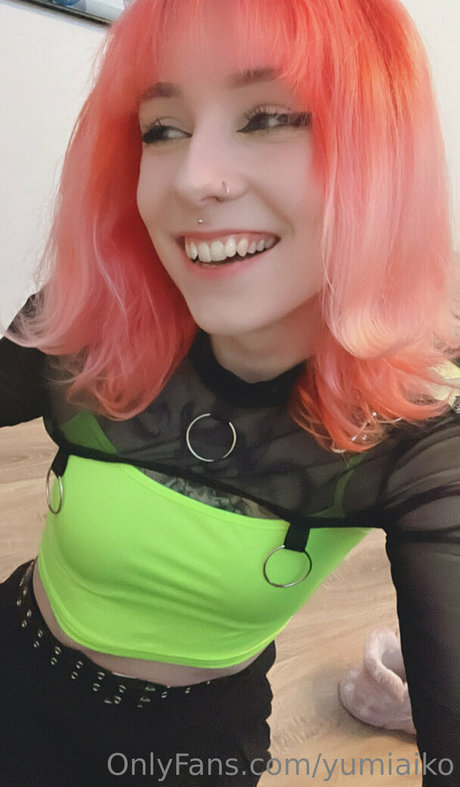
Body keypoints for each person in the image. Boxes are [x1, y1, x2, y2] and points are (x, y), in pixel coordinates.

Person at [1, 0, 459, 784]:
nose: (191, 178)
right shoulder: (90, 318)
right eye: (162, 129)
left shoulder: (425, 424)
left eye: (269, 117)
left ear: (382, 153)